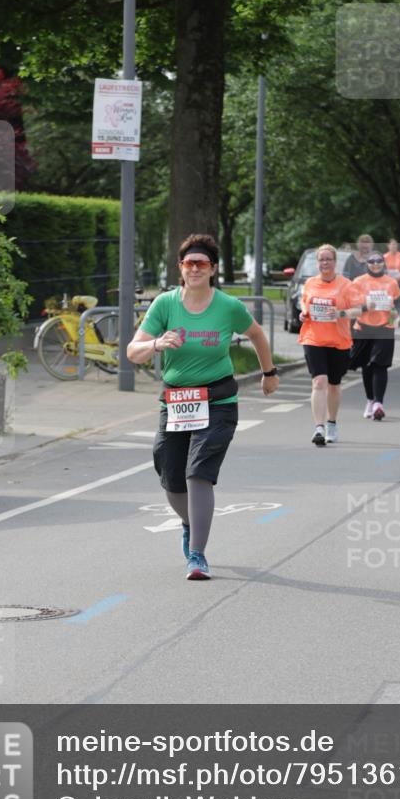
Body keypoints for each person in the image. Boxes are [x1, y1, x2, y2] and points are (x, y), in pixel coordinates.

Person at [127, 233, 279, 580]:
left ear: (213, 269)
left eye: (201, 263)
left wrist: (269, 373)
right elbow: (132, 351)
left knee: (199, 472)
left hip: (218, 400)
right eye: (188, 263)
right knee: (169, 475)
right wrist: (156, 343)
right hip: (177, 400)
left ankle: (197, 555)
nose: (194, 269)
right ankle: (188, 522)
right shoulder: (165, 304)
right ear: (180, 268)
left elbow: (256, 334)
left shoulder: (228, 306)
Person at [298, 244, 362, 446]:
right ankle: (319, 427)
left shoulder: (346, 285)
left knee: (334, 385)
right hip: (313, 337)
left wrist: (340, 314)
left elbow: (358, 310)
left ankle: (332, 422)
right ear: (318, 263)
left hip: (338, 340)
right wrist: (302, 313)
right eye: (321, 259)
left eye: (328, 259)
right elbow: (304, 303)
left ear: (335, 262)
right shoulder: (310, 283)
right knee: (319, 381)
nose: (325, 262)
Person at [350, 252, 400, 419]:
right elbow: (351, 305)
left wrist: (397, 317)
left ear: (383, 263)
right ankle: (370, 400)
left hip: (385, 328)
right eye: (371, 261)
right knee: (367, 366)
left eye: (379, 261)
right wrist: (366, 306)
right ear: (367, 264)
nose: (375, 264)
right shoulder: (358, 282)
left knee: (380, 365)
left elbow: (396, 305)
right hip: (363, 328)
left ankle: (379, 403)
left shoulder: (391, 282)